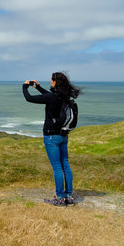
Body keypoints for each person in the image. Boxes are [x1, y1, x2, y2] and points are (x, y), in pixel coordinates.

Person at [22, 72, 80, 206]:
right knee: (65, 164)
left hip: (51, 136)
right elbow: (49, 95)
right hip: (63, 135)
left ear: (54, 82)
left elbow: (29, 98)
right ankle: (68, 196)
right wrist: (38, 87)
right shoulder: (64, 96)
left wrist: (25, 86)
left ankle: (59, 198)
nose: (50, 81)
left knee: (57, 167)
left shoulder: (52, 97)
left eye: (51, 80)